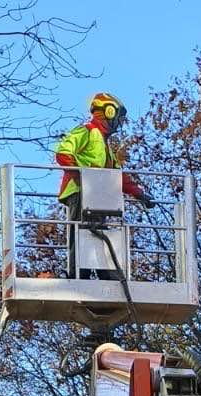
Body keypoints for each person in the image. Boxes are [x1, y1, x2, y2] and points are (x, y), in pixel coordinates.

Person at [54, 92, 153, 279]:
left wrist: (139, 193)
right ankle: (79, 273)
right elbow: (63, 153)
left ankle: (105, 273)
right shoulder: (86, 131)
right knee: (81, 231)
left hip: (98, 195)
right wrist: (85, 175)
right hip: (80, 191)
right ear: (109, 111)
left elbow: (118, 176)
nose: (119, 123)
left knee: (97, 233)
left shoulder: (106, 146)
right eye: (118, 117)